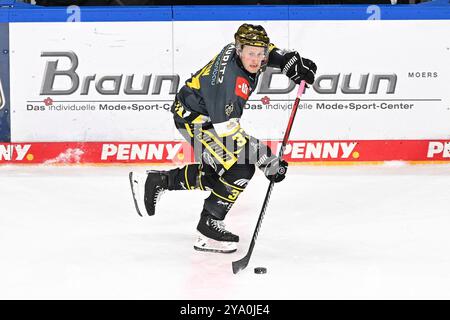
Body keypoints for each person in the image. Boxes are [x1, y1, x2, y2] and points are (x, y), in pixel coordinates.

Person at [129, 23, 317, 253]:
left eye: (260, 53)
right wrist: (266, 159)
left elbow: (270, 52)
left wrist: (290, 62)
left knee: (221, 172)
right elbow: (228, 131)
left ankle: (158, 181)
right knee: (241, 166)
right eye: (251, 53)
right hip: (197, 121)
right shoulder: (231, 84)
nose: (256, 60)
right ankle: (208, 225)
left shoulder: (241, 50)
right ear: (239, 50)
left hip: (201, 113)